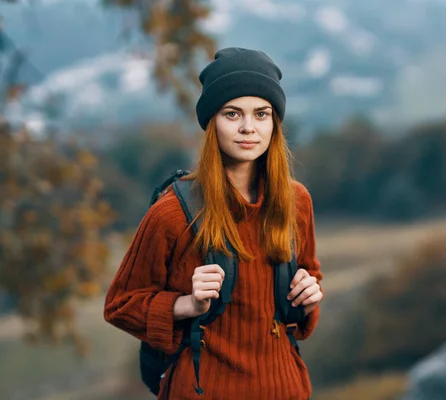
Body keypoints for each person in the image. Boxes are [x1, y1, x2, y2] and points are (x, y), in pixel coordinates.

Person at [104, 47, 323, 400]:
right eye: (232, 113)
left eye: (262, 114)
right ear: (212, 123)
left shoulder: (296, 202)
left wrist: (309, 297)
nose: (248, 128)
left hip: (287, 390)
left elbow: (304, 295)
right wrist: (186, 304)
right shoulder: (172, 212)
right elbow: (120, 305)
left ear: (274, 123)